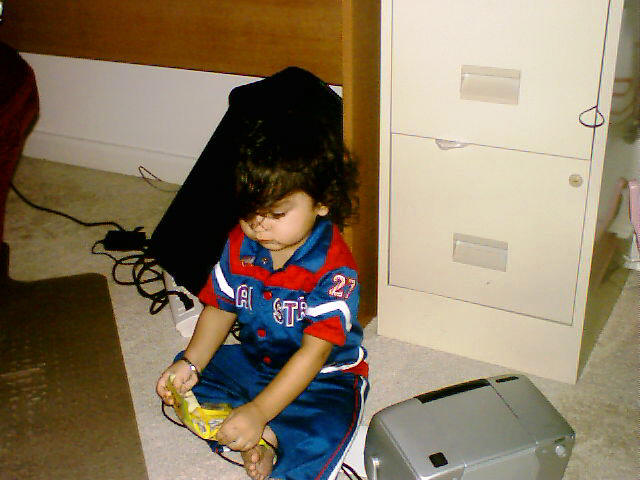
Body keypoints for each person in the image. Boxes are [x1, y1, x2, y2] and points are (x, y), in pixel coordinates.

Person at [156, 69, 369, 480]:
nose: (259, 225)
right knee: (182, 388)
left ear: (322, 202)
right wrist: (191, 364)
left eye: (276, 213)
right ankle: (264, 438)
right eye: (249, 211)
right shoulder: (240, 243)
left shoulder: (333, 270)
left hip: (323, 377)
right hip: (256, 361)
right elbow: (220, 309)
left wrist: (258, 409)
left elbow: (313, 354)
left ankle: (266, 430)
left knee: (323, 433)